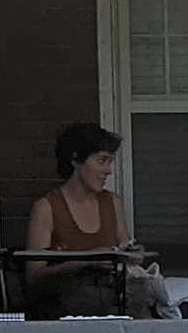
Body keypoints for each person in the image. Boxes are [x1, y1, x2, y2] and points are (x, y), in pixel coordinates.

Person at [26, 123, 135, 319]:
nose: (108, 171)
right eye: (101, 161)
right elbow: (34, 275)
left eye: (109, 162)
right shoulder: (47, 207)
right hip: (66, 310)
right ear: (76, 160)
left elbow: (128, 252)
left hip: (116, 304)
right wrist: (87, 260)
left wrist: (133, 255)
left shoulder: (113, 203)